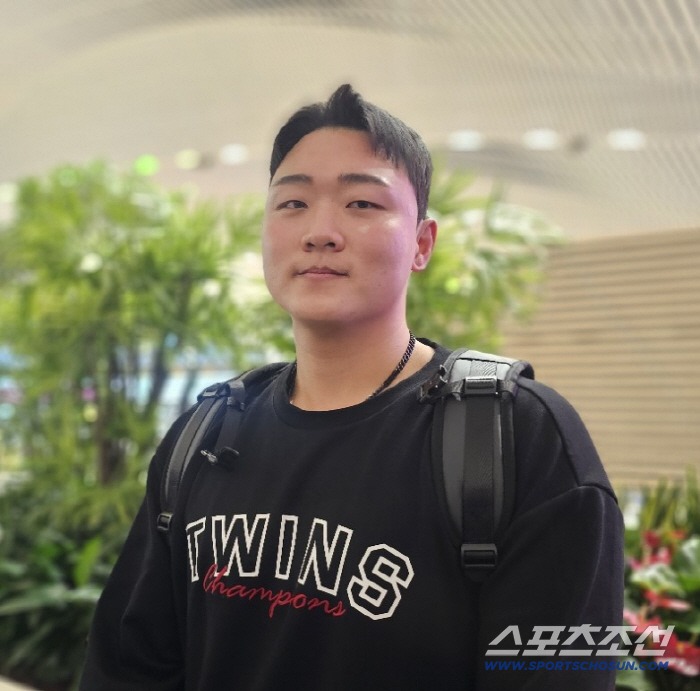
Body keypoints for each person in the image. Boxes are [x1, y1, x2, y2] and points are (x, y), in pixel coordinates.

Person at [80, 84, 624, 690]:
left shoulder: (517, 438)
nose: (320, 231)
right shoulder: (203, 437)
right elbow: (128, 668)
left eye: (362, 203)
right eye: (292, 203)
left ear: (422, 243)